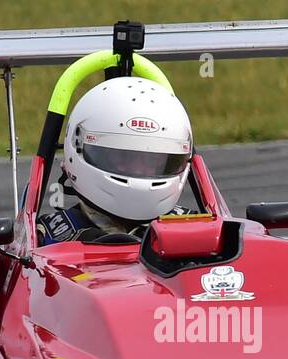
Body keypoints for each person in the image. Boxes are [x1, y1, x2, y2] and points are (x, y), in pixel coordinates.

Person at [36, 77, 195, 244]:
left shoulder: (195, 232)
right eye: (124, 158)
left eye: (153, 161)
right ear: (77, 147)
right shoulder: (49, 237)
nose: (139, 170)